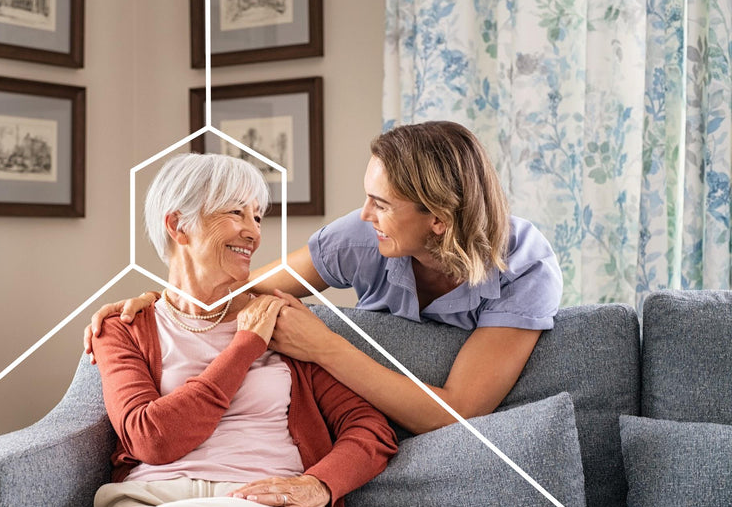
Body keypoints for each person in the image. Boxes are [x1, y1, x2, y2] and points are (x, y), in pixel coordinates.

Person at [86, 121, 563, 436]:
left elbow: (457, 412)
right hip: (350, 419)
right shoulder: (359, 238)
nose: (364, 213)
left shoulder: (524, 267)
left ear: (438, 219)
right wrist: (159, 301)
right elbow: (236, 293)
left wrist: (321, 345)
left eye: (382, 204)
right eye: (367, 196)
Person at [90, 152, 397, 507]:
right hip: (145, 503)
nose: (253, 233)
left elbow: (371, 429)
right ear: (178, 225)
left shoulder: (282, 320)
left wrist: (319, 485)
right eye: (236, 212)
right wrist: (245, 346)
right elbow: (151, 440)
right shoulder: (122, 328)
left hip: (260, 506)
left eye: (257, 217)